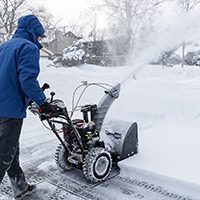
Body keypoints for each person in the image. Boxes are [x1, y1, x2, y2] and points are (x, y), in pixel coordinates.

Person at [0, 15, 52, 199]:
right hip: (10, 111)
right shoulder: (28, 47)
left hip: (2, 105)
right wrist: (43, 102)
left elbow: (9, 77)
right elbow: (27, 80)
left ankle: (20, 188)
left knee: (10, 150)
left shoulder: (4, 46)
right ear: (32, 32)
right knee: (4, 155)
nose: (39, 40)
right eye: (39, 36)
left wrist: (29, 100)